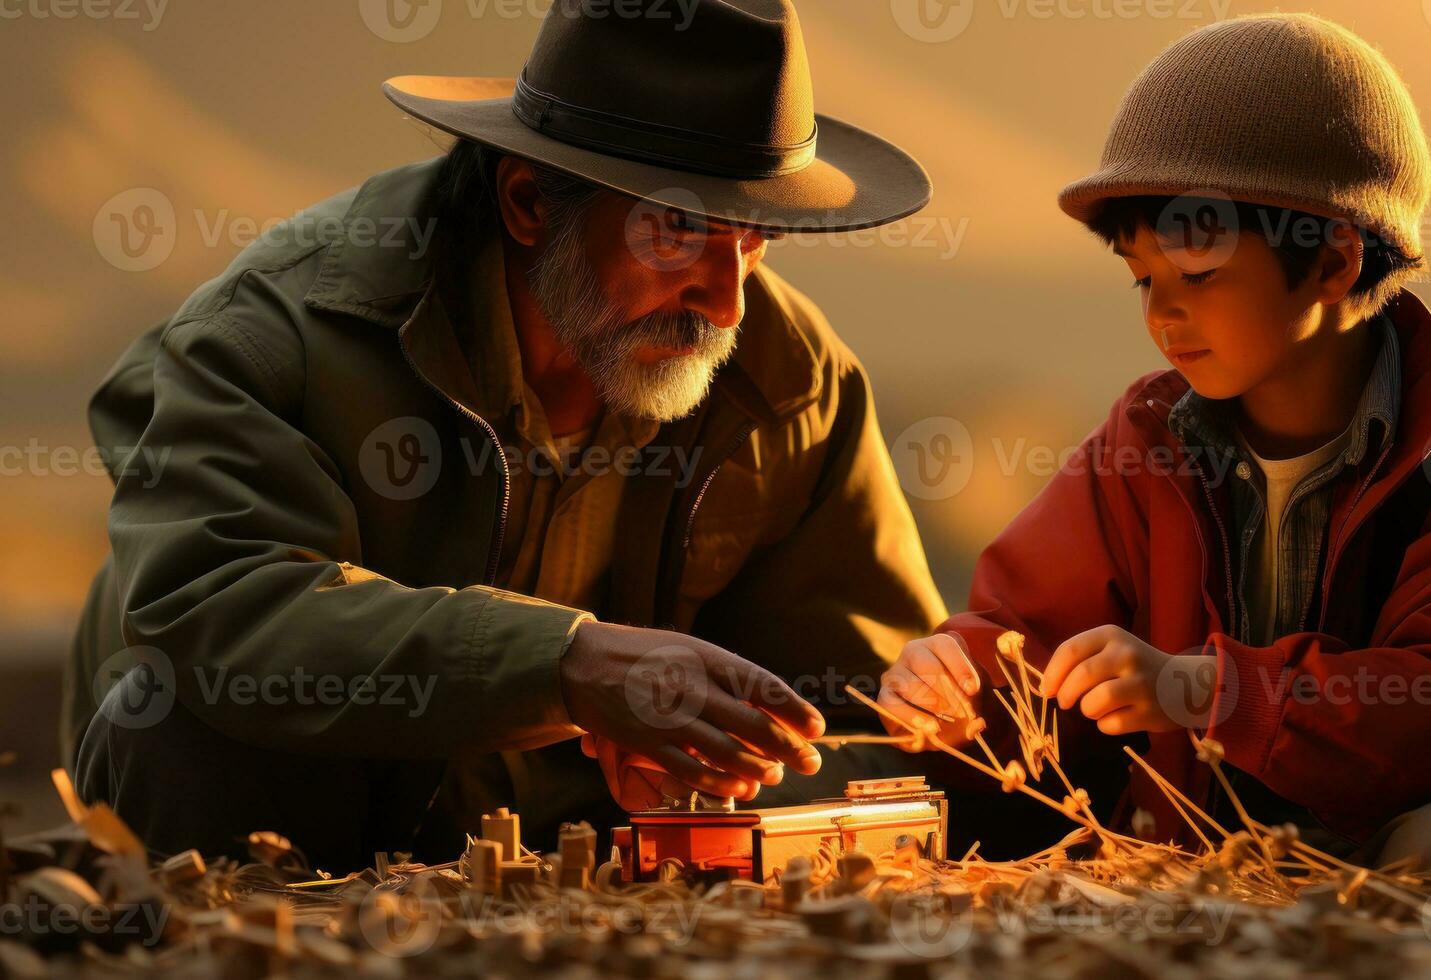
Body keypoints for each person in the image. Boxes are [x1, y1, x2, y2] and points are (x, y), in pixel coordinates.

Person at [68, 0, 946, 869]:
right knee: (174, 712)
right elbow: (218, 608)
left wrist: (718, 766)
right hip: (302, 825)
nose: (727, 300)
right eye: (677, 233)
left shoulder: (787, 379)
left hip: (566, 845)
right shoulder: (279, 334)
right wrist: (565, 666)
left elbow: (869, 714)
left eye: (754, 240)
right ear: (528, 204)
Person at [876, 13, 1431, 873]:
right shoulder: (1140, 446)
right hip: (1178, 857)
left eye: (1196, 275)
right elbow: (1023, 631)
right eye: (1141, 278)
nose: (1160, 313)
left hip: (1392, 845)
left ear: (1334, 262)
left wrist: (1208, 690)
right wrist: (955, 682)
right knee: (856, 791)